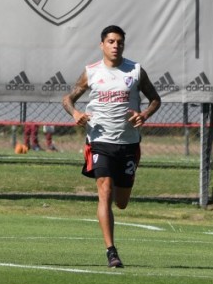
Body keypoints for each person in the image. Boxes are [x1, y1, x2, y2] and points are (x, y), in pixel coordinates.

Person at [62, 25, 161, 268]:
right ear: (102, 45)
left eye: (119, 42)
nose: (115, 46)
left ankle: (122, 188)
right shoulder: (91, 72)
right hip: (99, 140)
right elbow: (68, 99)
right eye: (111, 42)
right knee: (104, 191)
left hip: (128, 143)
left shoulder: (135, 71)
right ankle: (111, 251)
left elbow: (155, 99)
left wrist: (144, 115)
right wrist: (75, 113)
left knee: (122, 201)